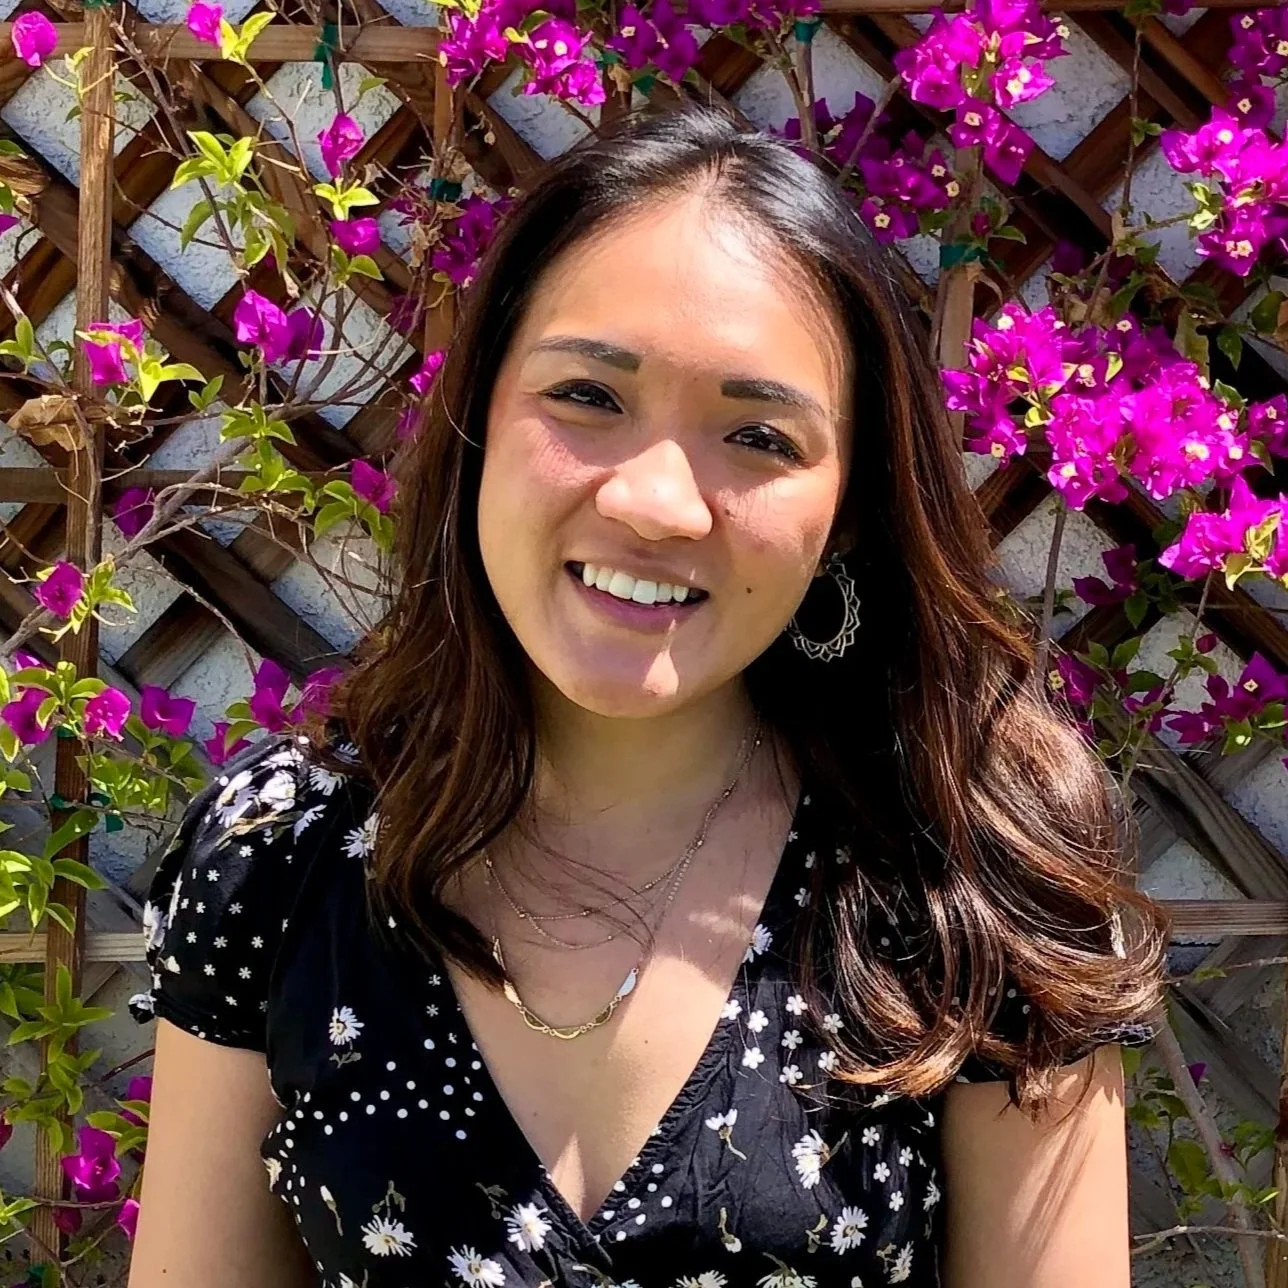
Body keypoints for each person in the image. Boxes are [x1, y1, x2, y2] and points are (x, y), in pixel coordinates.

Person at [125, 102, 1167, 1288]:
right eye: (587, 396)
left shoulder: (964, 866)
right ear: (477, 424)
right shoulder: (280, 857)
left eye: (760, 436)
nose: (658, 502)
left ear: (849, 510)